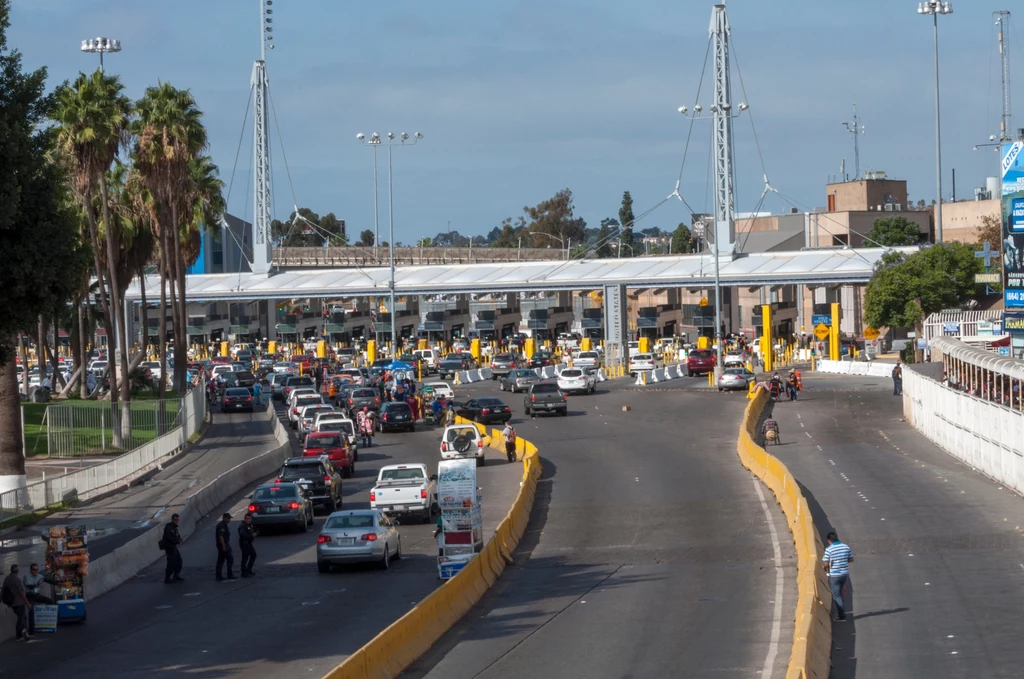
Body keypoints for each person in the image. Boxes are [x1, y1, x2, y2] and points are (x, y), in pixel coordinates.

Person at [823, 530, 854, 622]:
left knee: (837, 596)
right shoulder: (845, 547)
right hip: (844, 574)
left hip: (835, 575)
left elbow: (825, 564)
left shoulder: (829, 549)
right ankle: (840, 613)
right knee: (840, 594)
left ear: (829, 540)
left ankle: (842, 616)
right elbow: (851, 559)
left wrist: (825, 568)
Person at [2, 565, 32, 640]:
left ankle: (20, 633)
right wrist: (27, 603)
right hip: (19, 602)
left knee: (21, 616)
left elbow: (3, 591)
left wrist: (3, 601)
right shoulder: (17, 580)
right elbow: (21, 592)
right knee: (22, 617)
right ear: (18, 571)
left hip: (10, 602)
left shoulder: (7, 578)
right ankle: (22, 631)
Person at [161, 513, 184, 584]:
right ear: (172, 519)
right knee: (171, 563)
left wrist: (179, 539)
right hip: (169, 547)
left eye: (177, 520)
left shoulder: (175, 527)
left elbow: (177, 535)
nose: (176, 521)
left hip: (173, 547)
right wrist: (176, 540)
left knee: (179, 561)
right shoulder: (169, 527)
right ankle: (167, 578)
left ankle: (176, 575)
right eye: (175, 520)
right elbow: (168, 537)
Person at [215, 512, 236, 581]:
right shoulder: (221, 526)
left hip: (224, 545)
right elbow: (221, 536)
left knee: (221, 560)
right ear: (224, 518)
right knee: (229, 559)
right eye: (228, 518)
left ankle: (219, 575)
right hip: (223, 545)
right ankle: (228, 575)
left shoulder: (224, 525)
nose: (229, 520)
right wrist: (224, 546)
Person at [238, 512, 258, 577]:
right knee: (245, 557)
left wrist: (256, 532)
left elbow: (254, 530)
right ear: (244, 519)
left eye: (249, 519)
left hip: (249, 543)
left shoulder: (250, 525)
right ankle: (243, 572)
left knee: (253, 555)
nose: (248, 520)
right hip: (244, 543)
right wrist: (252, 536)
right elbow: (243, 535)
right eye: (247, 518)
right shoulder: (242, 526)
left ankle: (248, 570)